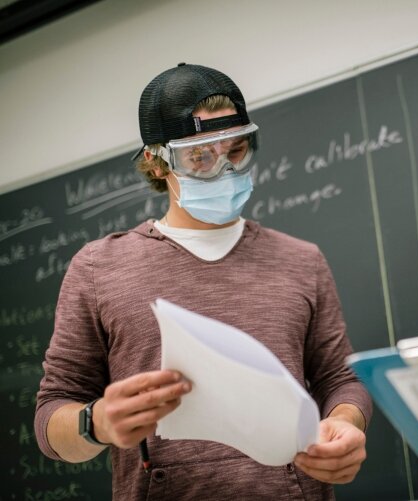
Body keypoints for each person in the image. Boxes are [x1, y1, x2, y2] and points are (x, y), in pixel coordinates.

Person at [35, 63, 372, 500]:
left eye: (236, 151)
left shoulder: (301, 260)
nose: (225, 170)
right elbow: (52, 413)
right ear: (157, 163)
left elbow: (340, 379)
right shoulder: (99, 267)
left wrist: (344, 423)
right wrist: (96, 422)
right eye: (200, 156)